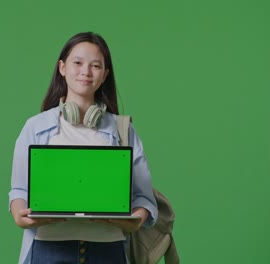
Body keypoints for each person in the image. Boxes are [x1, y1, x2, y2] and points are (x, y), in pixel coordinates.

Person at [9, 32, 158, 264]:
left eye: (96, 66)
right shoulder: (35, 127)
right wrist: (20, 214)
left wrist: (135, 219)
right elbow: (19, 191)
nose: (86, 72)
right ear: (62, 68)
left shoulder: (123, 130)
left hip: (108, 250)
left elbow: (144, 198)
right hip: (48, 249)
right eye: (77, 63)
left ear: (104, 75)